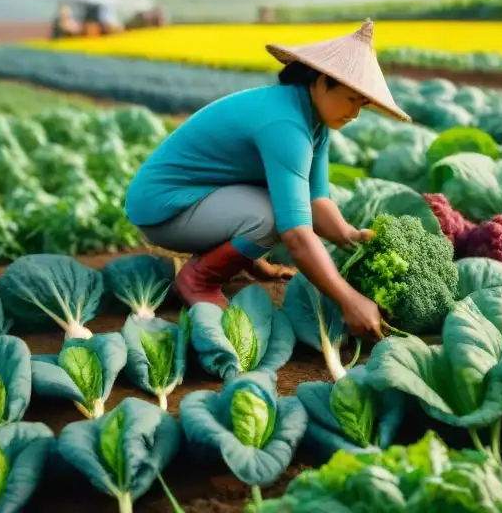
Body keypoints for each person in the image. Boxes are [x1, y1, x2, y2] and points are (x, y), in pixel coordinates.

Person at [123, 19, 411, 339]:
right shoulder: (285, 124)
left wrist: (350, 236)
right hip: (165, 208)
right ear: (320, 81)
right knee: (275, 218)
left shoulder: (313, 120)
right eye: (350, 99)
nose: (355, 112)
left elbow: (316, 201)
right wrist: (349, 300)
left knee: (282, 206)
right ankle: (198, 280)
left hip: (199, 199)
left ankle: (237, 261)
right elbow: (297, 236)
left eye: (363, 104)